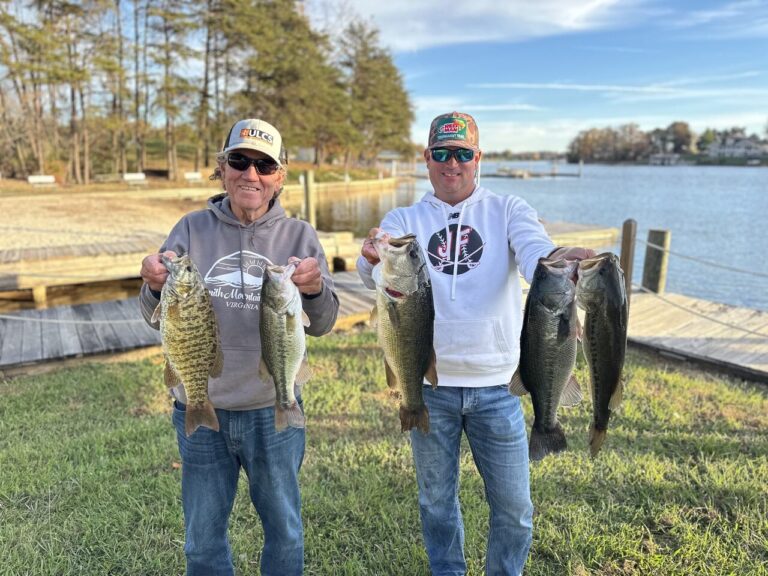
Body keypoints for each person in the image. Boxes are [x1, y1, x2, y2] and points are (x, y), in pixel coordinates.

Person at [357, 111, 595, 576]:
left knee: (515, 510)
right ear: (426, 159)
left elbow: (536, 254)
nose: (452, 163)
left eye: (462, 153)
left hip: (498, 389)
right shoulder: (404, 218)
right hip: (430, 388)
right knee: (436, 503)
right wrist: (370, 256)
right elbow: (373, 271)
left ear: (478, 158)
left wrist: (563, 258)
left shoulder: (507, 209)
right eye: (442, 153)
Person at [139, 118, 339, 576]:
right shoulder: (190, 228)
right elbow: (156, 315)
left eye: (264, 165)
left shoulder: (300, 236)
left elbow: (324, 322)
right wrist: (152, 284)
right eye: (239, 161)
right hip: (200, 407)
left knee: (284, 531)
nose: (251, 174)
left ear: (280, 176)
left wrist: (311, 290)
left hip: (273, 410)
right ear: (222, 168)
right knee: (203, 540)